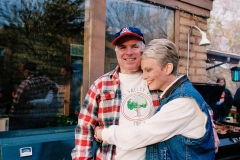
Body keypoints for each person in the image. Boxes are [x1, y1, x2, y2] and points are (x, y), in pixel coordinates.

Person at [71, 27, 219, 160]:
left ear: (143, 49)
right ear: (116, 52)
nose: (129, 52)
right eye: (122, 47)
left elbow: (197, 105)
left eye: (134, 46)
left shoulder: (157, 78)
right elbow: (84, 128)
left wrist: (210, 130)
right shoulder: (101, 85)